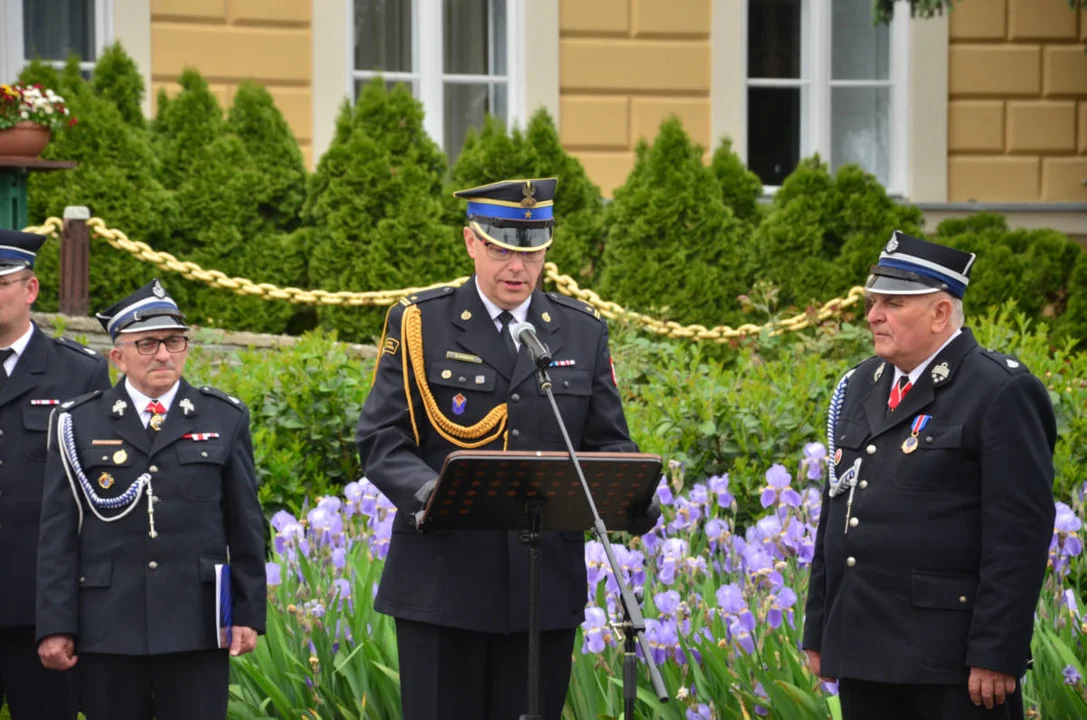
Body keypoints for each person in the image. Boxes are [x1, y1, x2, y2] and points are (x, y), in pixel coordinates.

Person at [357, 178, 659, 720]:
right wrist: (434, 493)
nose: (516, 268)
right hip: (443, 583)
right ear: (471, 242)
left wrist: (631, 491)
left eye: (532, 252)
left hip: (542, 592)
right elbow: (381, 438)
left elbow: (607, 439)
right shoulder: (422, 322)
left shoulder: (580, 331)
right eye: (500, 250)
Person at [803, 231, 1056, 719]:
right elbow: (837, 510)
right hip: (864, 650)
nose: (873, 315)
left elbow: (1018, 536)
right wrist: (821, 629)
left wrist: (995, 651)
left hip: (950, 661)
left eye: (893, 303)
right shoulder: (862, 384)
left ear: (941, 313)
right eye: (874, 301)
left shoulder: (998, 390)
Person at [35, 278, 267, 720]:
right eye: (147, 344)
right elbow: (57, 535)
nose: (163, 354)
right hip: (109, 622)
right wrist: (56, 625)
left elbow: (245, 524)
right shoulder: (77, 422)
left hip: (197, 622)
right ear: (117, 357)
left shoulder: (225, 416)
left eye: (174, 341)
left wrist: (248, 612)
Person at [0, 229, 110, 719]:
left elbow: (95, 498)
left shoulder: (78, 374)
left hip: (39, 608)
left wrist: (71, 612)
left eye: (3, 283)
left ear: (31, 289)